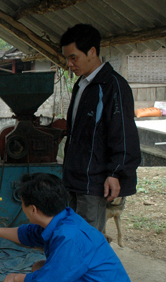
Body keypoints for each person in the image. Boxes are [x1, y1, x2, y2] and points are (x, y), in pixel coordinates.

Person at [0, 173, 137, 282]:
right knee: (39, 267)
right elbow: (28, 234)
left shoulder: (69, 237)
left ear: (33, 210)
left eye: (23, 204)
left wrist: (16, 278)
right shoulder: (64, 219)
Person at [60, 24, 141, 232]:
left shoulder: (113, 86)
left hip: (94, 181)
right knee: (72, 236)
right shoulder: (82, 85)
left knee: (88, 240)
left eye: (74, 57)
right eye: (67, 58)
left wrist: (115, 173)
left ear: (92, 52)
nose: (69, 64)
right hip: (74, 178)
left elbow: (122, 133)